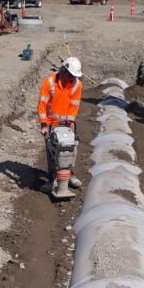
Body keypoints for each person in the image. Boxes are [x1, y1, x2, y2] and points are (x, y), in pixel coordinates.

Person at [37, 57, 83, 193]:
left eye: (74, 76)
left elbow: (74, 106)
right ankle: (52, 179)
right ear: (63, 70)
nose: (72, 78)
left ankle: (70, 174)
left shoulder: (76, 85)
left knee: (72, 147)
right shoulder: (49, 83)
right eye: (70, 75)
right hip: (51, 123)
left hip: (67, 123)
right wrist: (44, 125)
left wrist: (69, 127)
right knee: (51, 151)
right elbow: (42, 105)